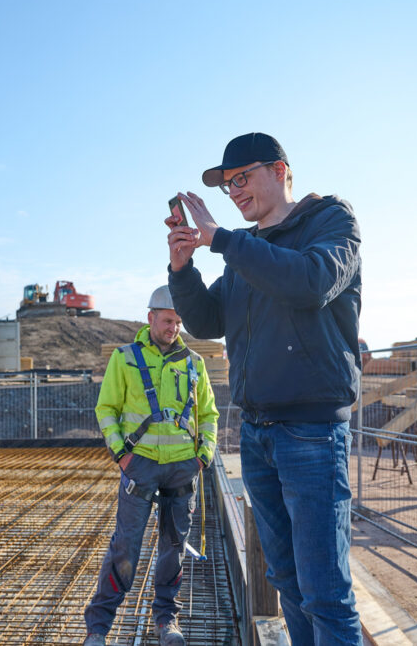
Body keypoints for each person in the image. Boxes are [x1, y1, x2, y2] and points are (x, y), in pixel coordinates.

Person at [166, 132, 363, 645]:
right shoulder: (246, 252)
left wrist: (226, 239)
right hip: (257, 434)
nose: (234, 192)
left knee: (325, 591)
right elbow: (209, 320)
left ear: (279, 170)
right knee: (289, 584)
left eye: (242, 178)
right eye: (228, 184)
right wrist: (184, 270)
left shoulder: (330, 221)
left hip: (312, 433)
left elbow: (312, 282)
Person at [83, 286, 219, 646]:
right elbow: (106, 409)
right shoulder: (124, 358)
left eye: (178, 322)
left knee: (173, 547)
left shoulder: (194, 363)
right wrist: (120, 454)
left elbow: (208, 414)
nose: (174, 328)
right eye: (167, 321)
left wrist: (203, 454)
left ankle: (166, 621)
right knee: (126, 546)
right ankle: (99, 627)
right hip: (139, 466)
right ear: (150, 319)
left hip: (181, 469)